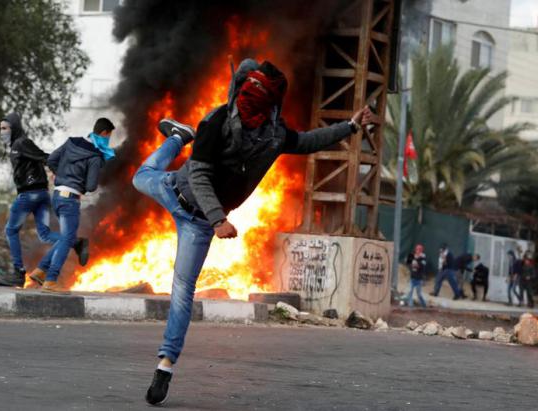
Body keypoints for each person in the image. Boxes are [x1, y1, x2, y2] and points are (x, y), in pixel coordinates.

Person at [133, 59, 377, 406]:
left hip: (199, 224)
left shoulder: (274, 136)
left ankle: (165, 366)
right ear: (239, 91)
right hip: (176, 190)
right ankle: (177, 137)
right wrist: (219, 219)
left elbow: (307, 141)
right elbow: (200, 176)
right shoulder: (215, 121)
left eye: (258, 102)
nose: (250, 109)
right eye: (248, 96)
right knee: (141, 175)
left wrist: (350, 127)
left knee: (182, 293)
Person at [0, 112, 88, 287]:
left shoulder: (21, 143)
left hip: (30, 194)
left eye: (5, 128)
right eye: (1, 129)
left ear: (14, 128)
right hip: (41, 195)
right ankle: (75, 242)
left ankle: (18, 272)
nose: (2, 132)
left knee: (11, 230)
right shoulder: (16, 144)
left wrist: (62, 172)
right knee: (44, 235)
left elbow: (45, 157)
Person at [28, 118, 115, 294]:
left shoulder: (71, 142)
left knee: (66, 238)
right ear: (104, 133)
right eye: (109, 136)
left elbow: (52, 159)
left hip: (58, 195)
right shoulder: (95, 156)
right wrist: (77, 184)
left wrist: (62, 177)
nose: (109, 140)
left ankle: (40, 270)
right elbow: (91, 186)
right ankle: (50, 280)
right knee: (68, 239)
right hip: (70, 200)